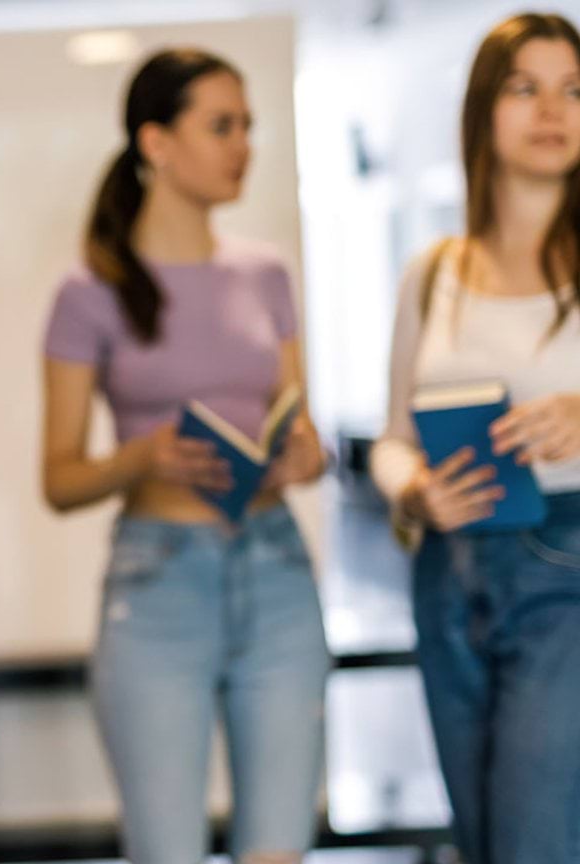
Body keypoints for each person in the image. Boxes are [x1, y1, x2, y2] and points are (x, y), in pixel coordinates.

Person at [41, 48, 330, 864]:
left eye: (248, 127)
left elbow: (301, 430)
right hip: (158, 584)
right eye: (222, 126)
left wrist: (302, 458)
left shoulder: (266, 275)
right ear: (157, 142)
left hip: (278, 571)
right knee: (166, 850)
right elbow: (60, 478)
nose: (244, 146)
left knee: (279, 849)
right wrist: (143, 458)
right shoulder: (89, 292)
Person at [371, 13, 580, 864]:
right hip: (447, 573)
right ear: (483, 110)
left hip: (564, 567)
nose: (552, 110)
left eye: (573, 89)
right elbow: (391, 439)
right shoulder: (434, 273)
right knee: (484, 841)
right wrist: (413, 491)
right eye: (525, 87)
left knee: (536, 839)